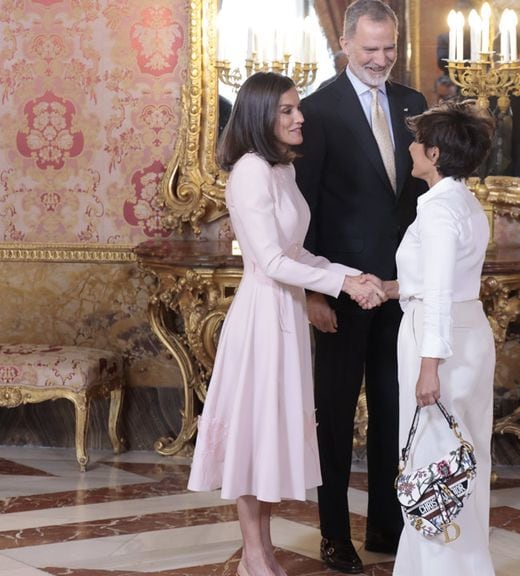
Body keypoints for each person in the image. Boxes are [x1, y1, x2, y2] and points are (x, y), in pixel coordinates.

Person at [187, 72, 386, 576]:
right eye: (287, 111)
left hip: (287, 317)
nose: (300, 118)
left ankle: (264, 551)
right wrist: (343, 287)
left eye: (298, 108)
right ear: (260, 117)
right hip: (262, 317)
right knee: (255, 438)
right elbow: (272, 263)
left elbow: (298, 251)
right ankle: (254, 556)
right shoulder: (250, 171)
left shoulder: (281, 169)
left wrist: (349, 274)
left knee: (272, 438)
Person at [293, 0, 429, 572]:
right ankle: (332, 535)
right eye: (370, 49)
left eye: (389, 48)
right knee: (335, 412)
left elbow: (418, 201)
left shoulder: (413, 103)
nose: (381, 59)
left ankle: (385, 528)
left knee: (393, 414)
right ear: (347, 44)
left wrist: (416, 280)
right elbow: (306, 208)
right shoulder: (315, 110)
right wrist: (316, 292)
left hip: (399, 287)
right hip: (343, 289)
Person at [382, 101, 497, 575]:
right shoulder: (465, 201)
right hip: (468, 334)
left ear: (432, 152)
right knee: (467, 461)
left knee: (433, 468)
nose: (409, 146)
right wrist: (394, 288)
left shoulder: (437, 209)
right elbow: (444, 279)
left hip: (439, 340)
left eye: (416, 141)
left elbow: (441, 293)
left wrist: (429, 366)